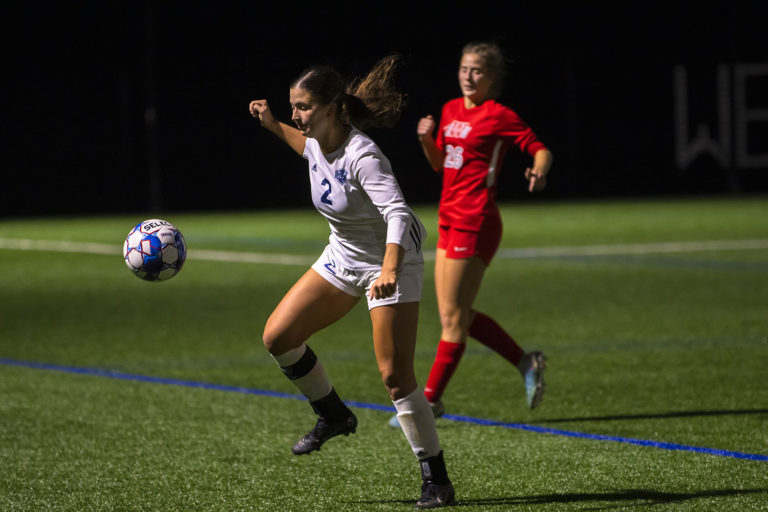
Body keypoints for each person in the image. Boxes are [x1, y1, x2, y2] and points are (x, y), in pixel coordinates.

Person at [248, 55, 455, 509]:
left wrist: (389, 269)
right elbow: (305, 148)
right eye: (292, 106)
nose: (296, 115)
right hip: (343, 257)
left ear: (330, 108)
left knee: (395, 377)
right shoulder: (316, 140)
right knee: (279, 337)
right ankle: (333, 415)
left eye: (302, 107)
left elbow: (398, 214)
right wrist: (272, 123)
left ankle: (436, 479)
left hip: (391, 260)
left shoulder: (364, 156)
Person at [389, 42, 553, 429]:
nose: (468, 76)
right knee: (454, 314)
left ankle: (429, 401)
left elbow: (540, 149)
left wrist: (539, 171)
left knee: (453, 318)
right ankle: (526, 362)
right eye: (464, 68)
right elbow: (440, 163)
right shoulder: (449, 109)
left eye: (477, 70)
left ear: (491, 78)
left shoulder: (499, 115)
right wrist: (426, 139)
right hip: (449, 219)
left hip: (477, 221)